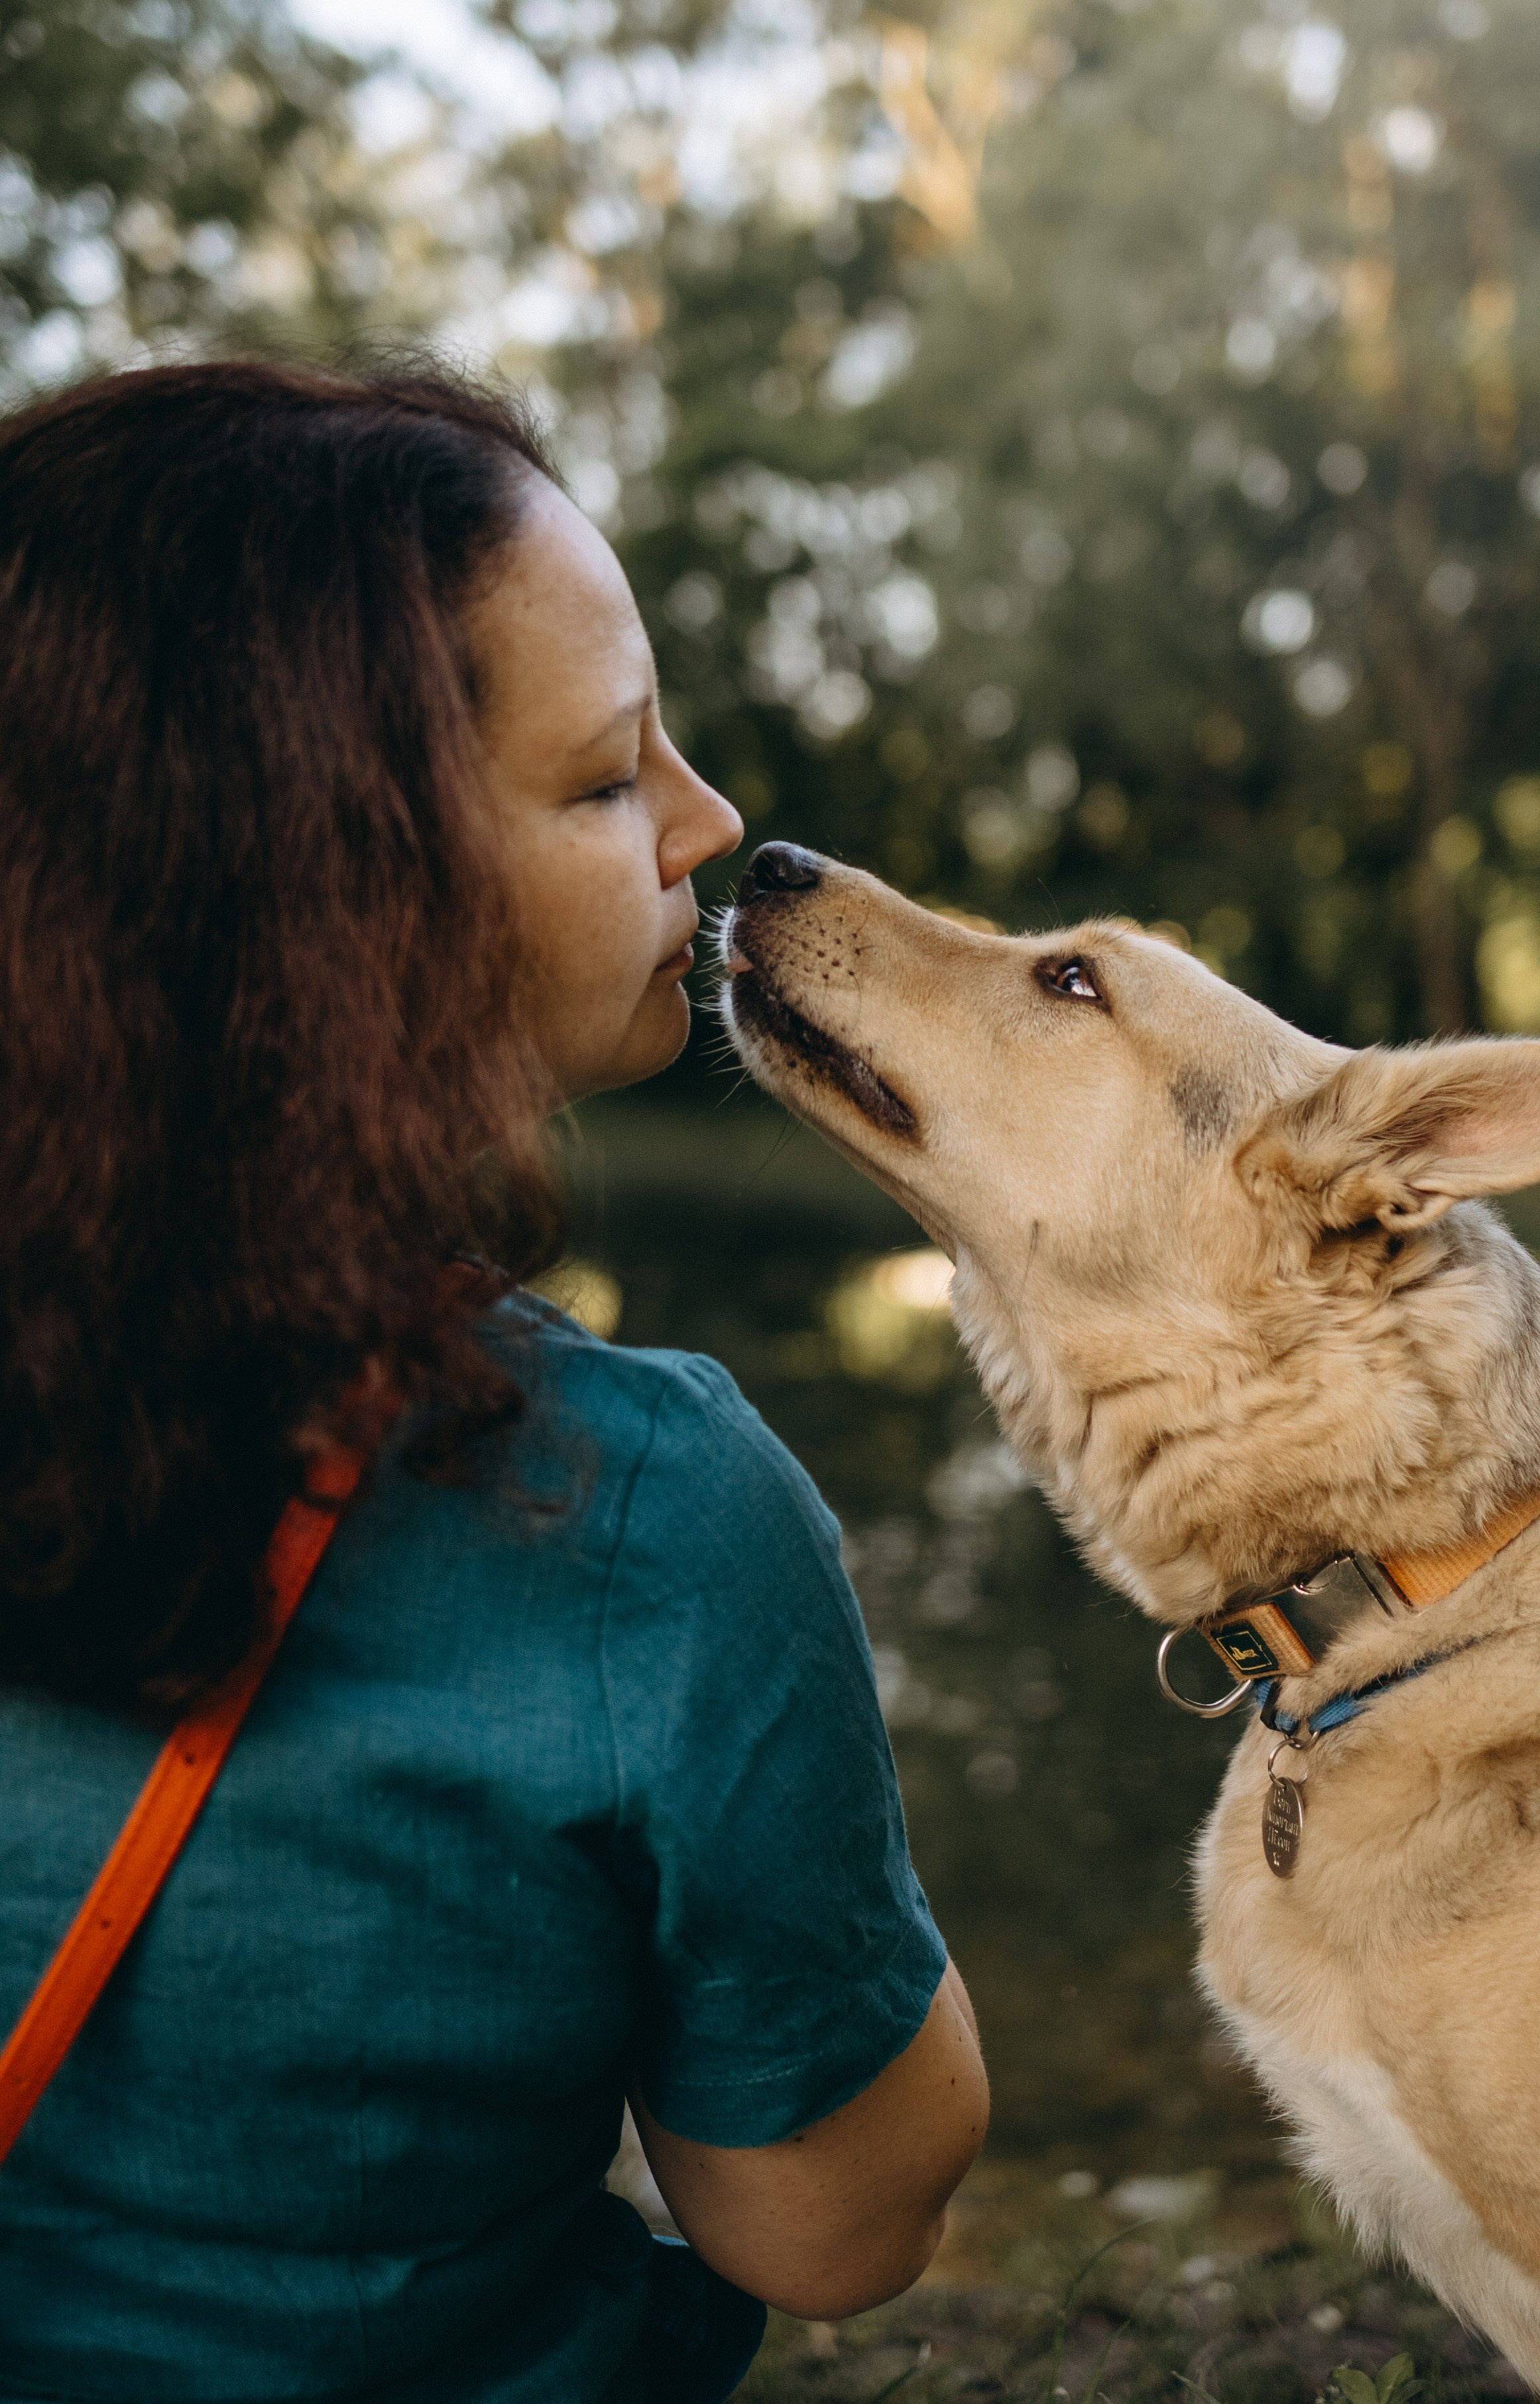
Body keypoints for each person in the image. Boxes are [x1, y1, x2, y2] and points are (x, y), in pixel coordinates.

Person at [0, 360, 988, 2404]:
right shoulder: (642, 1507)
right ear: (350, 894)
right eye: (611, 775)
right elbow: (832, 2223)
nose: (712, 824)